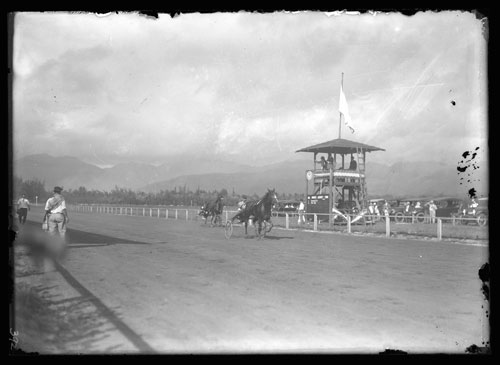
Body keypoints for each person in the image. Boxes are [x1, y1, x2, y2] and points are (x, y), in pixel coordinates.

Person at [44, 186, 70, 258]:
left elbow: (46, 209)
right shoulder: (62, 199)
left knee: (52, 232)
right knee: (62, 232)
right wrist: (67, 217)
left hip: (51, 216)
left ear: (54, 192)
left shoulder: (49, 200)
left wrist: (48, 215)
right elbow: (64, 209)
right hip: (60, 216)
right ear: (59, 192)